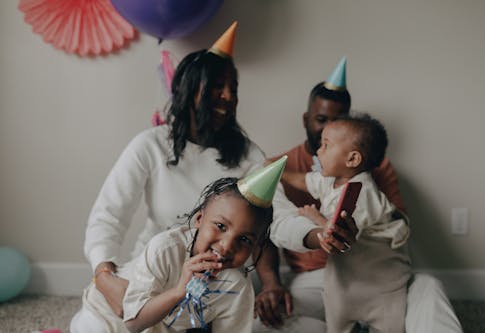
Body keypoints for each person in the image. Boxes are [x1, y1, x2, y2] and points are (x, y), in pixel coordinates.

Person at [82, 21, 358, 330]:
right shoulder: (150, 145)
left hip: (222, 274)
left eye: (233, 89)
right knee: (95, 326)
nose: (228, 96)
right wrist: (104, 276)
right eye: (217, 87)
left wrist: (318, 236)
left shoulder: (249, 156)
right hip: (157, 269)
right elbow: (108, 216)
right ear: (187, 91)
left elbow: (277, 219)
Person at [259, 58, 463, 332]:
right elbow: (302, 183)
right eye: (322, 120)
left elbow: (356, 228)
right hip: (320, 278)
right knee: (268, 321)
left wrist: (313, 216)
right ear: (306, 119)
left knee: (427, 288)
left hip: (376, 273)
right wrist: (269, 170)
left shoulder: (367, 182)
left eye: (338, 122)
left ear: (354, 154)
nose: (326, 132)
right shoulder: (304, 168)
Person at [71, 160, 283, 332]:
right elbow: (133, 323)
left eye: (245, 240)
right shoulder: (165, 249)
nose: (227, 246)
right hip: (111, 316)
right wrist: (180, 291)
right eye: (220, 226)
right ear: (199, 219)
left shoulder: (237, 286)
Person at [282, 114, 412, 332]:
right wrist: (277, 171)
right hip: (345, 278)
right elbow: (303, 181)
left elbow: (339, 233)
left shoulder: (362, 193)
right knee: (337, 309)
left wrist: (314, 217)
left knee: (389, 321)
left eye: (326, 145)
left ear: (352, 159)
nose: (318, 151)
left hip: (381, 279)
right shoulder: (331, 178)